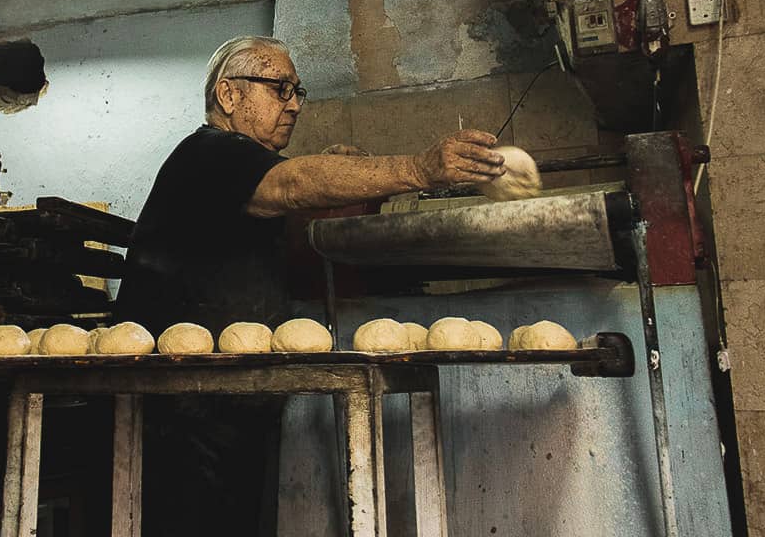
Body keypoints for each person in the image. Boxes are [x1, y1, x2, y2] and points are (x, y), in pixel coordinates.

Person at [114, 35, 505, 536]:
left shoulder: (240, 167)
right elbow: (292, 185)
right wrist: (417, 169)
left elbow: (285, 209)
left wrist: (340, 172)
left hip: (224, 397)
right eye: (280, 89)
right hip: (177, 407)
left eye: (298, 91)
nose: (294, 104)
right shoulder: (209, 152)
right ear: (230, 96)